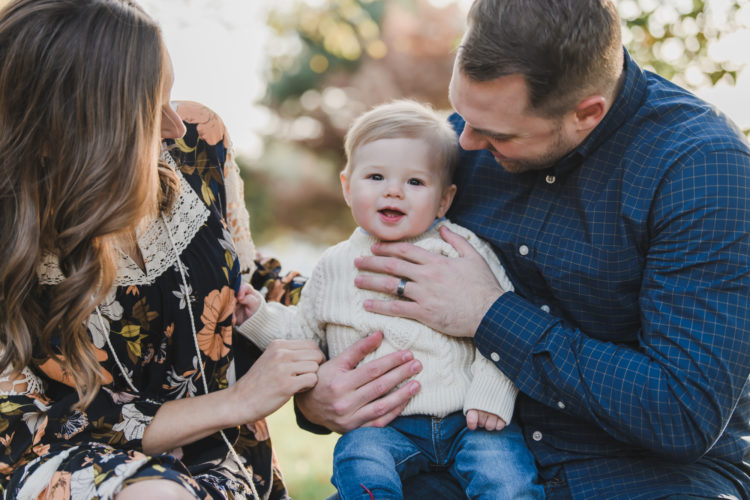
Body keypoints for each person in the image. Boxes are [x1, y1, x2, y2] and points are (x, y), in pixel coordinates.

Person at [299, 0, 750, 498]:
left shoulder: (703, 170)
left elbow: (681, 412)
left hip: (639, 475)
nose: (465, 141)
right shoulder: (459, 144)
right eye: (461, 112)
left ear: (587, 113)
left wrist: (490, 313)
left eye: (496, 134)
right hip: (457, 460)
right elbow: (353, 289)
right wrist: (317, 397)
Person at [0, 1, 324, 499]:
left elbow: (246, 281)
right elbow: (24, 428)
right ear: (69, 136)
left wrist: (350, 306)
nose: (176, 125)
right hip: (76, 464)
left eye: (170, 95)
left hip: (221, 451)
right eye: (152, 110)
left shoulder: (199, 142)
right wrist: (238, 400)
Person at [235, 100, 543, 499]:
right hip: (384, 426)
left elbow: (502, 327)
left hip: (468, 419)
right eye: (376, 176)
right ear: (348, 187)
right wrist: (258, 317)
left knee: (506, 477)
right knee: (358, 461)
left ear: (444, 200)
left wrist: (492, 397)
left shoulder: (461, 250)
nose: (394, 191)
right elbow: (303, 335)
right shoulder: (335, 265)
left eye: (415, 182)